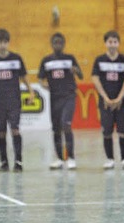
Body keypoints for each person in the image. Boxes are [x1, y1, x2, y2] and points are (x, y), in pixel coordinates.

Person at [0, 28, 35, 172]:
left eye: (5, 42)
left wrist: (31, 91)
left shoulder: (16, 58)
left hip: (14, 100)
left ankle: (18, 161)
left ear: (8, 42)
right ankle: (4, 162)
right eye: (0, 42)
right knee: (1, 132)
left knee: (15, 129)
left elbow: (24, 76)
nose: (2, 45)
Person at [38, 32, 83, 170]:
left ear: (64, 44)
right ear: (52, 44)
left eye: (60, 42)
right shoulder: (46, 61)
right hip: (55, 98)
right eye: (55, 42)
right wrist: (44, 85)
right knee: (56, 129)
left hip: (69, 96)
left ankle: (71, 157)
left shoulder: (70, 59)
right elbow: (40, 78)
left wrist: (76, 70)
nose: (58, 45)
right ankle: (59, 158)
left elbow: (81, 76)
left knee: (66, 124)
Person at [91, 30, 124, 170]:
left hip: (121, 102)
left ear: (118, 43)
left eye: (115, 42)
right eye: (110, 41)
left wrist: (120, 97)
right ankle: (109, 159)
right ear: (105, 43)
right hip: (105, 102)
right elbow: (95, 79)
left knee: (123, 131)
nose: (112, 44)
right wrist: (105, 97)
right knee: (107, 131)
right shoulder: (99, 60)